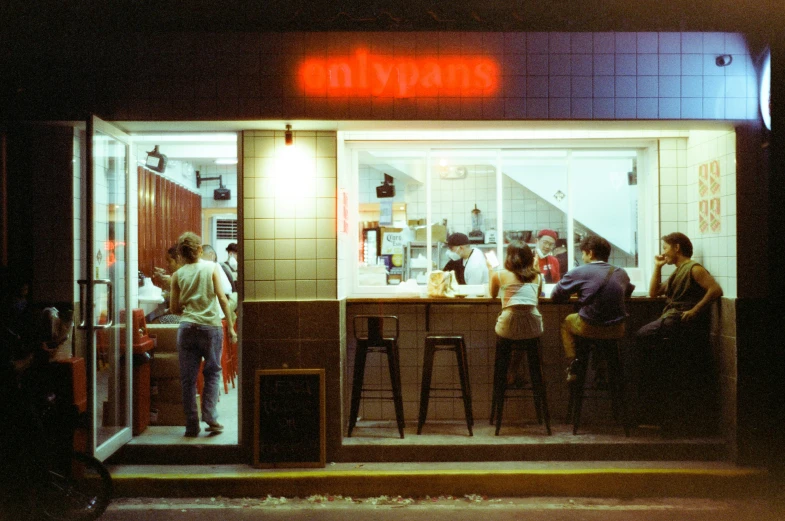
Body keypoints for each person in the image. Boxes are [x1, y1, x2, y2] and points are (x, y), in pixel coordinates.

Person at [634, 232, 723, 432]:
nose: (663, 253)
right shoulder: (677, 271)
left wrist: (695, 310)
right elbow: (654, 292)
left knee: (642, 335)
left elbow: (715, 290)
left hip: (678, 321)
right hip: (671, 318)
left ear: (677, 248)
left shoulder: (694, 269)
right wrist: (657, 268)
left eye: (665, 248)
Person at [169, 232, 238, 437]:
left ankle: (191, 424)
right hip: (210, 327)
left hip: (187, 328)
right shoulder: (211, 268)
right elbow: (223, 300)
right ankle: (210, 417)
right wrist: (232, 328)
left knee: (188, 379)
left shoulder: (177, 275)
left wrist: (191, 311)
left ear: (180, 253)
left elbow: (174, 308)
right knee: (212, 372)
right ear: (199, 249)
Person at [550, 235, 635, 382]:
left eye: (583, 253)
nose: (582, 257)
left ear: (590, 253)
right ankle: (601, 370)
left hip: (589, 328)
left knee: (567, 322)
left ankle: (573, 364)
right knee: (598, 320)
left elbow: (555, 296)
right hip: (617, 329)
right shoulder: (621, 273)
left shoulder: (579, 271)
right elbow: (626, 294)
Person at [488, 241, 543, 387]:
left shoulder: (499, 275)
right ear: (530, 258)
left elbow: (492, 295)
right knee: (522, 331)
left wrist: (490, 270)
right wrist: (536, 268)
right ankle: (513, 372)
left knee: (514, 330)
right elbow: (535, 296)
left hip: (508, 327)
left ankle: (508, 374)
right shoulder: (538, 276)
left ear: (509, 257)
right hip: (533, 327)